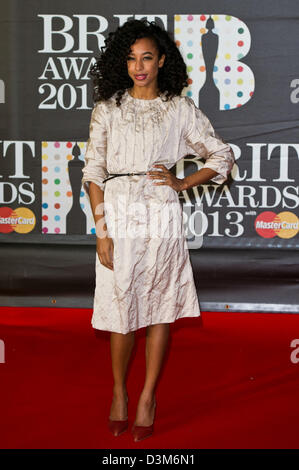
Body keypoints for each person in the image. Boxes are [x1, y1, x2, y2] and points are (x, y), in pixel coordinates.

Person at [81, 19, 235, 442]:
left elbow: (221, 156)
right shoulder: (107, 108)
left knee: (160, 308)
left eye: (147, 57)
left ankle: (147, 396)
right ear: (121, 63)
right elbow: (93, 171)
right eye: (130, 58)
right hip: (117, 216)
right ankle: (119, 392)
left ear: (162, 60)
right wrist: (101, 229)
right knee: (120, 311)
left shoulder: (179, 109)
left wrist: (183, 182)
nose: (138, 66)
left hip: (161, 218)